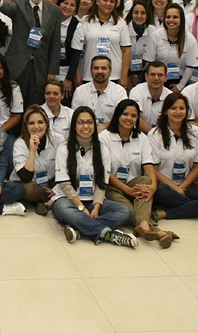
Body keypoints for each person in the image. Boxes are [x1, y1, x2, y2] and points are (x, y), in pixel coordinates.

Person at [51, 105, 137, 247]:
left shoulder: (103, 149)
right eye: (81, 122)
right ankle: (109, 235)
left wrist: (96, 207)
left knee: (124, 211)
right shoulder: (64, 148)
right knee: (64, 210)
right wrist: (82, 208)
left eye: (89, 122)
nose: (86, 126)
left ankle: (80, 229)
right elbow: (65, 185)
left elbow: (102, 183)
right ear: (74, 126)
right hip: (67, 199)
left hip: (92, 200)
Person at [100, 99, 177, 247]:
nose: (129, 118)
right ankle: (156, 231)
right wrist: (127, 190)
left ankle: (143, 227)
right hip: (111, 186)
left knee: (146, 181)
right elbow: (105, 172)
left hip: (134, 186)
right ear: (117, 115)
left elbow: (149, 166)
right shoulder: (104, 137)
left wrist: (153, 187)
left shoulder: (142, 138)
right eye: (125, 114)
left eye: (133, 116)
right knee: (128, 211)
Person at [0, 0, 62, 106]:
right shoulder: (18, 3)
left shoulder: (54, 10)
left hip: (40, 69)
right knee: (15, 106)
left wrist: (52, 71)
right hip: (18, 67)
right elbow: (8, 8)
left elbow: (55, 43)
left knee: (35, 108)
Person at [147, 93, 198, 221]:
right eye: (173, 108)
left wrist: (182, 187)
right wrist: (175, 188)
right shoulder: (154, 134)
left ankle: (165, 213)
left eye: (182, 108)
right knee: (162, 192)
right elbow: (153, 169)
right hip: (163, 185)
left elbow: (197, 166)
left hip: (186, 185)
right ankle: (194, 207)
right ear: (165, 111)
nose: (178, 112)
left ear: (187, 111)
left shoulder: (196, 132)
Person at [11, 105, 61, 214]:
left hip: (50, 181)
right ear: (26, 126)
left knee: (66, 184)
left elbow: (65, 169)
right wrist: (32, 150)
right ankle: (50, 199)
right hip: (29, 183)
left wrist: (56, 189)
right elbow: (26, 177)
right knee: (27, 190)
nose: (36, 127)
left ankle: (44, 201)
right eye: (31, 123)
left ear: (47, 124)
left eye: (40, 122)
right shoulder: (20, 143)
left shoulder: (58, 139)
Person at [144, 4, 198, 91]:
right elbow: (149, 62)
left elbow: (191, 66)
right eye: (168, 17)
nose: (171, 20)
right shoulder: (155, 36)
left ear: (181, 19)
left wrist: (179, 87)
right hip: (158, 80)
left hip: (181, 82)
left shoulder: (190, 39)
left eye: (175, 17)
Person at [71, 55, 127, 127]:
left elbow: (123, 118)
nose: (100, 71)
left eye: (104, 68)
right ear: (90, 71)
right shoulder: (80, 91)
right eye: (96, 68)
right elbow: (75, 118)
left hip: (112, 131)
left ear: (110, 71)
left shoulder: (120, 91)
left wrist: (103, 127)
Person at [55, 0, 84, 101]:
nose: (68, 7)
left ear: (76, 9)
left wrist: (69, 79)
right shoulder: (51, 20)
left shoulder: (77, 26)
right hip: (47, 71)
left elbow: (76, 55)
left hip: (65, 72)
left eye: (72, 5)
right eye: (65, 3)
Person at [126, 0, 152, 86]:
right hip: (125, 72)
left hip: (144, 73)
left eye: (143, 13)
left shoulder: (152, 31)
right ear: (131, 14)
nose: (139, 16)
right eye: (136, 12)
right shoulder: (124, 29)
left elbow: (151, 57)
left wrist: (138, 75)